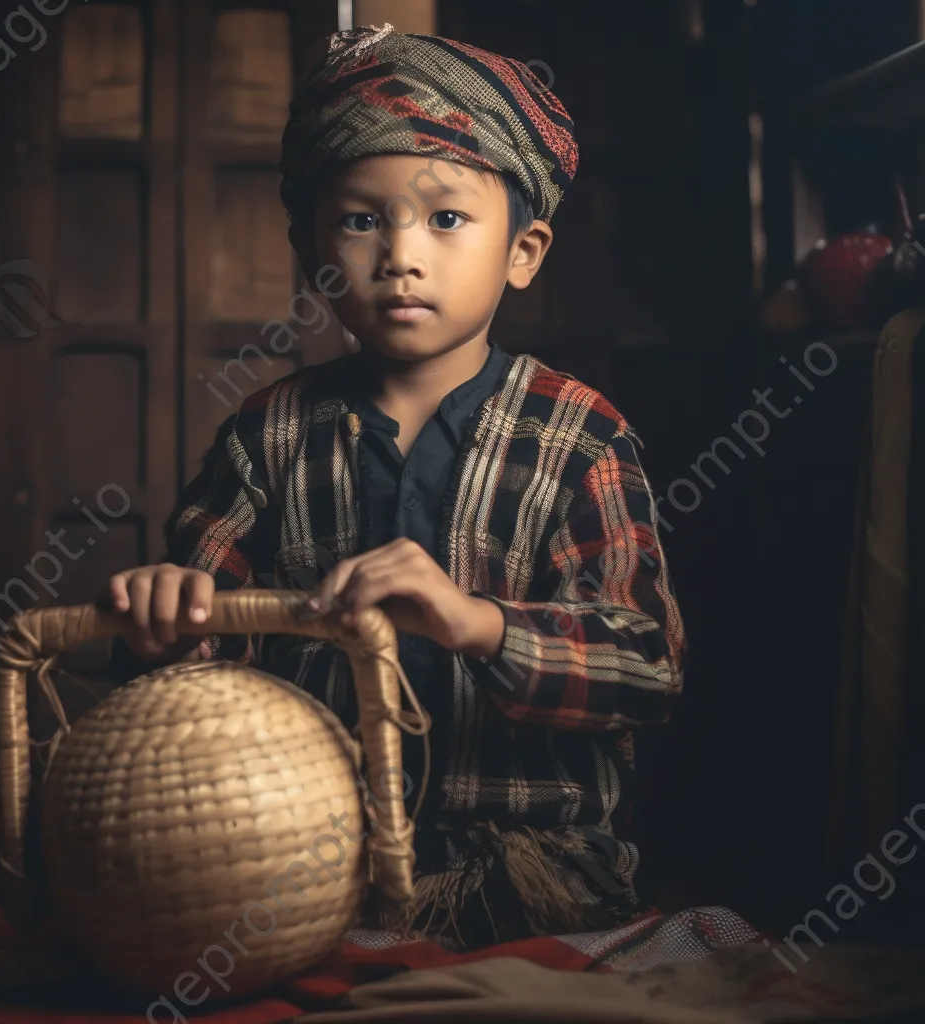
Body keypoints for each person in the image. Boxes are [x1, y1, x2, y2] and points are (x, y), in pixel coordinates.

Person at [107, 23, 685, 949]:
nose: (401, 255)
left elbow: (646, 669)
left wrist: (475, 623)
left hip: (532, 874)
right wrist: (166, 624)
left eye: (446, 219)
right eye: (361, 219)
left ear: (524, 250)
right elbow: (196, 669)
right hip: (299, 865)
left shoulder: (582, 436)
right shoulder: (266, 437)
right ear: (312, 249)